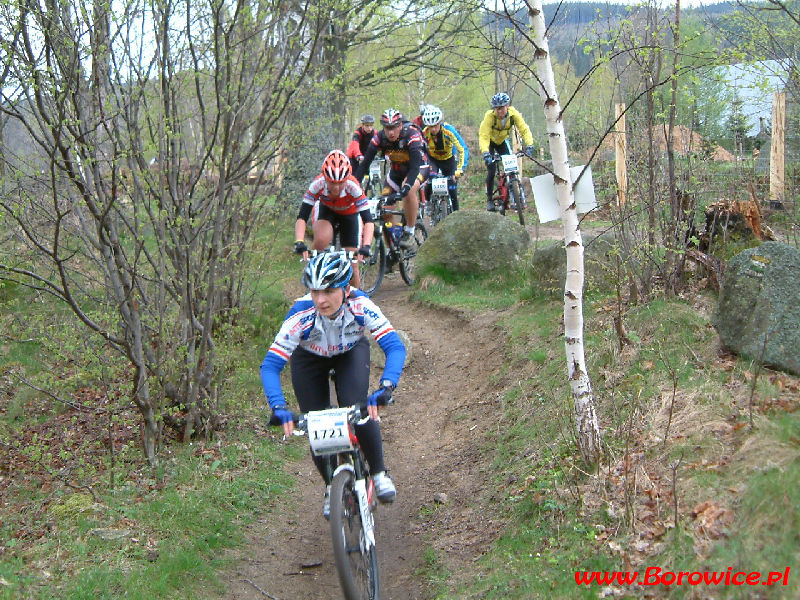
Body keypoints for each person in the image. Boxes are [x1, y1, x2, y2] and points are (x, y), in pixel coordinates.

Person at [260, 251, 405, 517]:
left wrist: (387, 386)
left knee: (357, 407)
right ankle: (331, 486)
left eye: (328, 291)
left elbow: (395, 347)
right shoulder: (300, 315)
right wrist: (278, 406)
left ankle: (379, 472)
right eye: (314, 291)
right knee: (316, 422)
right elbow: (270, 366)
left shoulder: (361, 305)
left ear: (346, 289)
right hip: (309, 359)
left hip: (350, 353)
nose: (320, 299)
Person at [294, 150, 374, 288]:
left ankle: (353, 302)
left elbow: (368, 220)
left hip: (350, 213)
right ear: (325, 178)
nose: (336, 188)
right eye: (332, 183)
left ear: (347, 179)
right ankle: (313, 280)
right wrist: (299, 242)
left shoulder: (353, 185)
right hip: (327, 210)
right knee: (321, 239)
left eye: (341, 183)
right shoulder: (317, 184)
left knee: (352, 266)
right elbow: (302, 216)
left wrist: (366, 246)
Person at [354, 108, 429, 250]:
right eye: (387, 128)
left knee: (409, 189)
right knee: (384, 208)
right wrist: (354, 184)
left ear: (400, 125)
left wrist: (406, 188)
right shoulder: (379, 137)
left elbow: (415, 167)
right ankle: (391, 249)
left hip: (419, 168)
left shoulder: (412, 135)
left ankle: (410, 231)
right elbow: (365, 164)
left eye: (394, 128)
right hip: (396, 172)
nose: (391, 132)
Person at [478, 92, 536, 212]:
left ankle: (515, 195)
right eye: (497, 108)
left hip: (502, 142)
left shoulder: (513, 115)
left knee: (512, 167)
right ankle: (489, 199)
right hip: (490, 143)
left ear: (507, 106)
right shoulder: (489, 117)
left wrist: (529, 144)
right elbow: (483, 136)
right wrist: (485, 152)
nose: (499, 111)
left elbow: (524, 129)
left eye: (502, 108)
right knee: (491, 169)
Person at [421, 105, 468, 212]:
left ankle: (456, 215)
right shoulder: (424, 133)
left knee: (452, 189)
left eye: (435, 125)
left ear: (440, 122)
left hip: (449, 160)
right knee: (429, 181)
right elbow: (419, 151)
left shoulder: (449, 130)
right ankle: (428, 202)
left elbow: (462, 149)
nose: (433, 129)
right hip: (433, 160)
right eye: (430, 126)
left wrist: (460, 169)